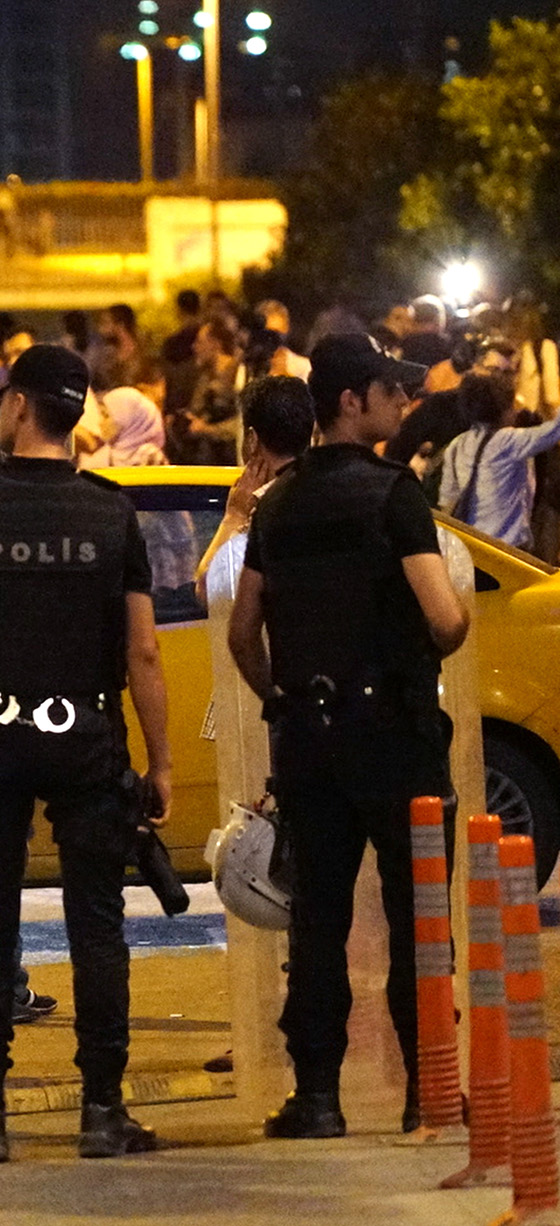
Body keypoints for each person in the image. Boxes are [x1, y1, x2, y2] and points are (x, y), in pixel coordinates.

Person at [0, 344, 173, 1165]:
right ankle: (101, 1112)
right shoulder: (109, 511)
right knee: (97, 927)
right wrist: (159, 763)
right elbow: (144, 654)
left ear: (16, 408)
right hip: (87, 738)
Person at [228, 334, 468, 1139]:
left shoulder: (280, 503)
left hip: (308, 740)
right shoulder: (394, 494)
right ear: (348, 403)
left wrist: (285, 698)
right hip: (396, 737)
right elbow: (443, 617)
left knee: (317, 923)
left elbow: (241, 631)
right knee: (418, 919)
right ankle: (427, 1093)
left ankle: (318, 1099)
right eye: (386, 391)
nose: (402, 403)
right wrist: (441, 633)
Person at [195, 376, 316, 583]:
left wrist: (235, 516)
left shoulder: (261, 507)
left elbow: (210, 590)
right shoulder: (324, 494)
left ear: (251, 439)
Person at [435, 371, 560, 549]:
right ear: (503, 409)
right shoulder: (508, 441)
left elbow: (447, 500)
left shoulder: (457, 445)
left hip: (472, 548)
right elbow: (554, 431)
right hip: (508, 549)